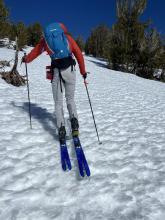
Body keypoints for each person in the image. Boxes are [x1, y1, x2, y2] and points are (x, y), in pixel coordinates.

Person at [22, 22, 87, 144]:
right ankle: (74, 124)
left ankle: (61, 128)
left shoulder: (46, 41)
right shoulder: (67, 38)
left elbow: (35, 52)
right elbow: (78, 53)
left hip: (57, 72)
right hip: (70, 71)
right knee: (70, 99)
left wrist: (26, 59)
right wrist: (83, 72)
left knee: (58, 102)